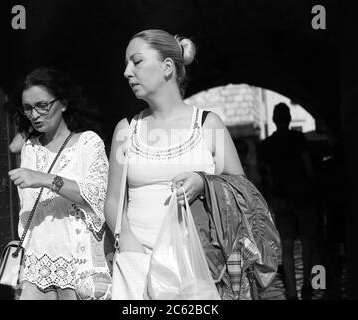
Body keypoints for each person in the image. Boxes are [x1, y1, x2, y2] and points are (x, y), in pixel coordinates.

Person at [103, 29, 269, 300]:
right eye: (126, 64)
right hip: (140, 265)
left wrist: (204, 182)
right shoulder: (126, 130)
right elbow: (112, 201)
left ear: (167, 67)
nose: (127, 72)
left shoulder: (208, 125)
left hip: (203, 268)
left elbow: (243, 193)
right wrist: (128, 244)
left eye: (136, 61)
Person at [7, 67, 110, 300]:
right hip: (35, 267)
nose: (34, 115)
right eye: (27, 108)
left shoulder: (88, 143)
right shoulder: (30, 147)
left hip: (78, 266)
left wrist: (44, 179)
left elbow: (98, 197)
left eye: (42, 105)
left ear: (62, 103)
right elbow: (27, 208)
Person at [260, 102, 317, 300]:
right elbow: (308, 165)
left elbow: (267, 175)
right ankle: (309, 285)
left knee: (287, 246)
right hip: (303, 196)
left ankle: (292, 292)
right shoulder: (298, 138)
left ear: (274, 120)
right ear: (289, 118)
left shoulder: (266, 145)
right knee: (308, 241)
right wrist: (314, 186)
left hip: (281, 198)